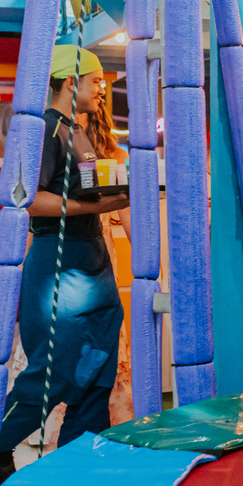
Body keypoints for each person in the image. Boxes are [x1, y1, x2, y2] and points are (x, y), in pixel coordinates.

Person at [0, 46, 129, 485]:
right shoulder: (48, 130)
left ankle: (78, 462)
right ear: (71, 83)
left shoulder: (80, 132)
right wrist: (95, 205)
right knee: (55, 371)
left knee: (98, 370)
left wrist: (117, 190)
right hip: (60, 262)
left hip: (93, 260)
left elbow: (85, 191)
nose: (102, 90)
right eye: (96, 82)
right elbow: (29, 199)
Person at [79, 104, 134, 425]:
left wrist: (148, 258)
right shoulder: (63, 151)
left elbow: (127, 214)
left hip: (98, 253)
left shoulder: (114, 157)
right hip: (82, 252)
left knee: (98, 329)